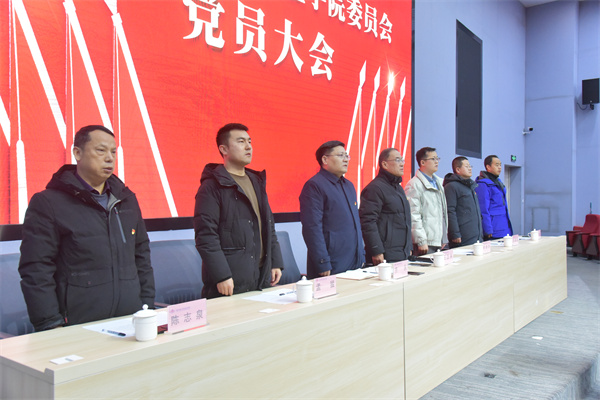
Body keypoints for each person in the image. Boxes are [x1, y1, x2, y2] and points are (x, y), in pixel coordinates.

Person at [18, 125, 155, 332]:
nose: (109, 158)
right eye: (101, 150)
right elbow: (36, 268)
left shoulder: (127, 200)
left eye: (113, 152)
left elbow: (141, 256)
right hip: (76, 326)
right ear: (77, 153)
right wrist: (50, 324)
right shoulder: (48, 203)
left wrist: (147, 307)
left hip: (131, 321)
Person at [194, 123, 283, 299]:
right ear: (224, 149)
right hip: (230, 281)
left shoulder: (256, 181)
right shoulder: (212, 186)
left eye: (249, 141)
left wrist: (276, 262)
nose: (248, 146)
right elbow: (206, 236)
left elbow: (268, 225)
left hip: (260, 276)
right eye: (241, 142)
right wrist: (222, 275)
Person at [299, 140, 365, 279]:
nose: (346, 159)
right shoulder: (314, 186)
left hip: (354, 262)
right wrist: (322, 261)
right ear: (325, 159)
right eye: (341, 155)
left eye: (346, 156)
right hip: (331, 264)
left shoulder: (349, 186)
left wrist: (361, 255)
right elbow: (312, 228)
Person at [359, 148, 412, 264]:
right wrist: (376, 250)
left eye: (402, 160)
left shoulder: (398, 188)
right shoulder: (374, 188)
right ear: (384, 164)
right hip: (385, 255)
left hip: (402, 253)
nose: (402, 164)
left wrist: (409, 247)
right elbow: (368, 222)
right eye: (397, 160)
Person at [404, 147, 448, 255]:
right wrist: (421, 241)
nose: (436, 162)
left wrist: (444, 238)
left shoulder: (440, 183)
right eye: (433, 159)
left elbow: (443, 214)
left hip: (438, 242)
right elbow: (413, 215)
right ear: (422, 162)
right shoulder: (414, 184)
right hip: (425, 243)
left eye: (437, 158)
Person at [443, 156, 483, 248]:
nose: (470, 168)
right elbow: (450, 211)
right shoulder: (451, 186)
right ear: (458, 169)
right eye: (467, 166)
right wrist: (455, 233)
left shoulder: (470, 186)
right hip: (462, 237)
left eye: (470, 166)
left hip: (476, 236)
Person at [475, 155, 513, 239]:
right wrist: (487, 229)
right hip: (494, 230)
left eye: (500, 165)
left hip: (504, 228)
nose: (499, 167)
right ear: (488, 167)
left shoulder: (498, 182)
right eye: (497, 165)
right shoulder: (483, 185)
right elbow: (483, 209)